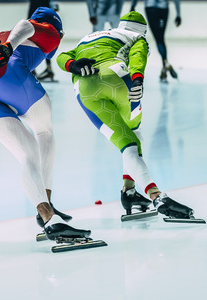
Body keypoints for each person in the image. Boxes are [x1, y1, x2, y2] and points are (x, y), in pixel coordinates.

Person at [0, 7, 90, 240]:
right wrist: (9, 47)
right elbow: (25, 25)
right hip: (10, 76)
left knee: (28, 154)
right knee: (45, 131)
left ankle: (48, 217)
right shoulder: (51, 33)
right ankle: (48, 201)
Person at [56, 11, 195, 219]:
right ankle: (156, 196)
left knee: (124, 140)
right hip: (120, 82)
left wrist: (72, 66)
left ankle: (129, 192)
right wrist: (137, 80)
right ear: (143, 30)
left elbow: (62, 57)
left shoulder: (90, 36)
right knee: (133, 136)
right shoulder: (137, 37)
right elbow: (137, 57)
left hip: (85, 89)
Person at [130, 0, 181, 82]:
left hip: (151, 8)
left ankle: (165, 63)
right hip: (164, 8)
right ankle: (165, 64)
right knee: (161, 38)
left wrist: (133, 6)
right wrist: (178, 14)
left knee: (159, 39)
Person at [28, 0, 59, 81]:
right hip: (43, 10)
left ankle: (33, 69)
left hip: (38, 11)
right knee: (44, 39)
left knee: (34, 38)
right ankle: (47, 69)